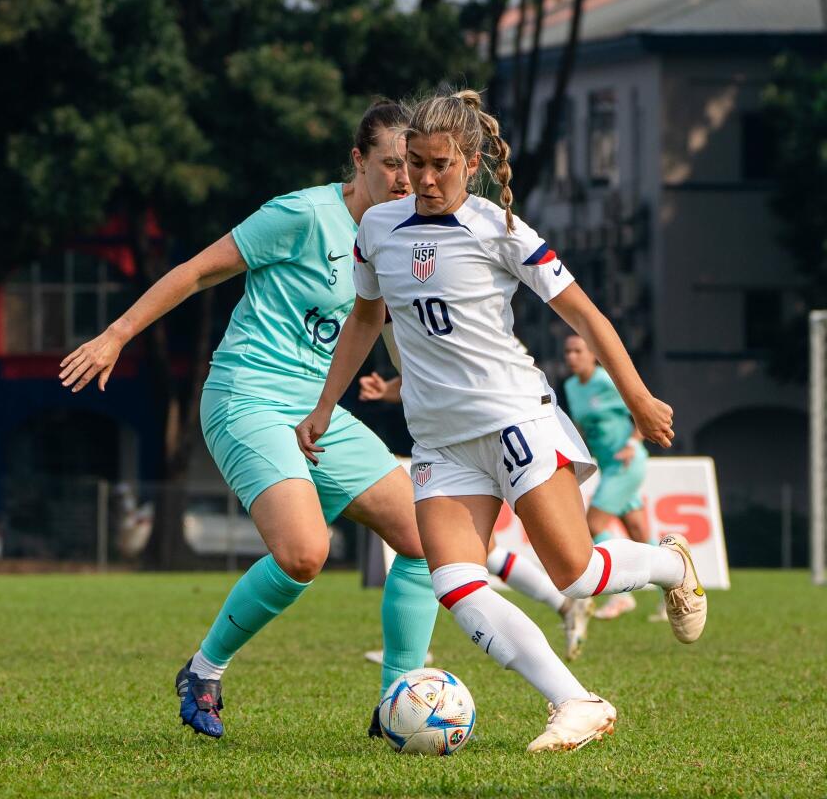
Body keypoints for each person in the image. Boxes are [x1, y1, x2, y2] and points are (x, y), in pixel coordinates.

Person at [296, 89, 708, 753]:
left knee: (574, 575)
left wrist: (635, 394)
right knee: (456, 584)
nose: (425, 180)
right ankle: (575, 701)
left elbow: (586, 316)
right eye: (414, 164)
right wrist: (325, 404)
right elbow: (366, 319)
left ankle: (667, 564)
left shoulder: (502, 229)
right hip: (440, 441)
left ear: (473, 160)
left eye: (441, 165)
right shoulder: (375, 229)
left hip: (517, 420)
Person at [61, 101, 439, 741]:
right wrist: (115, 335)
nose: (406, 180)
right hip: (247, 397)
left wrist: (412, 388)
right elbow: (196, 271)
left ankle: (397, 703)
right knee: (304, 554)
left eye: (414, 167)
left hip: (317, 410)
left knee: (429, 541)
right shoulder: (300, 215)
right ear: (359, 161)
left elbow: (384, 321)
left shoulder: (399, 234)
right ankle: (204, 670)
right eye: (392, 164)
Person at [360, 361, 593, 660]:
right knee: (473, 553)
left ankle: (411, 651)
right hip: (456, 436)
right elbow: (422, 371)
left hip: (476, 435)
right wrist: (389, 389)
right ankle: (563, 606)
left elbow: (445, 366)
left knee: (439, 551)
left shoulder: (403, 316)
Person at [562, 334, 665, 621]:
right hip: (607, 465)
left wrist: (633, 443)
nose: (571, 357)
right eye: (568, 352)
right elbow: (582, 427)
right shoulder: (571, 387)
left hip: (626, 463)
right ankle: (676, 590)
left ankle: (622, 596)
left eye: (577, 351)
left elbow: (642, 407)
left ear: (593, 354)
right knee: (638, 534)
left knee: (590, 526)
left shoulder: (606, 381)